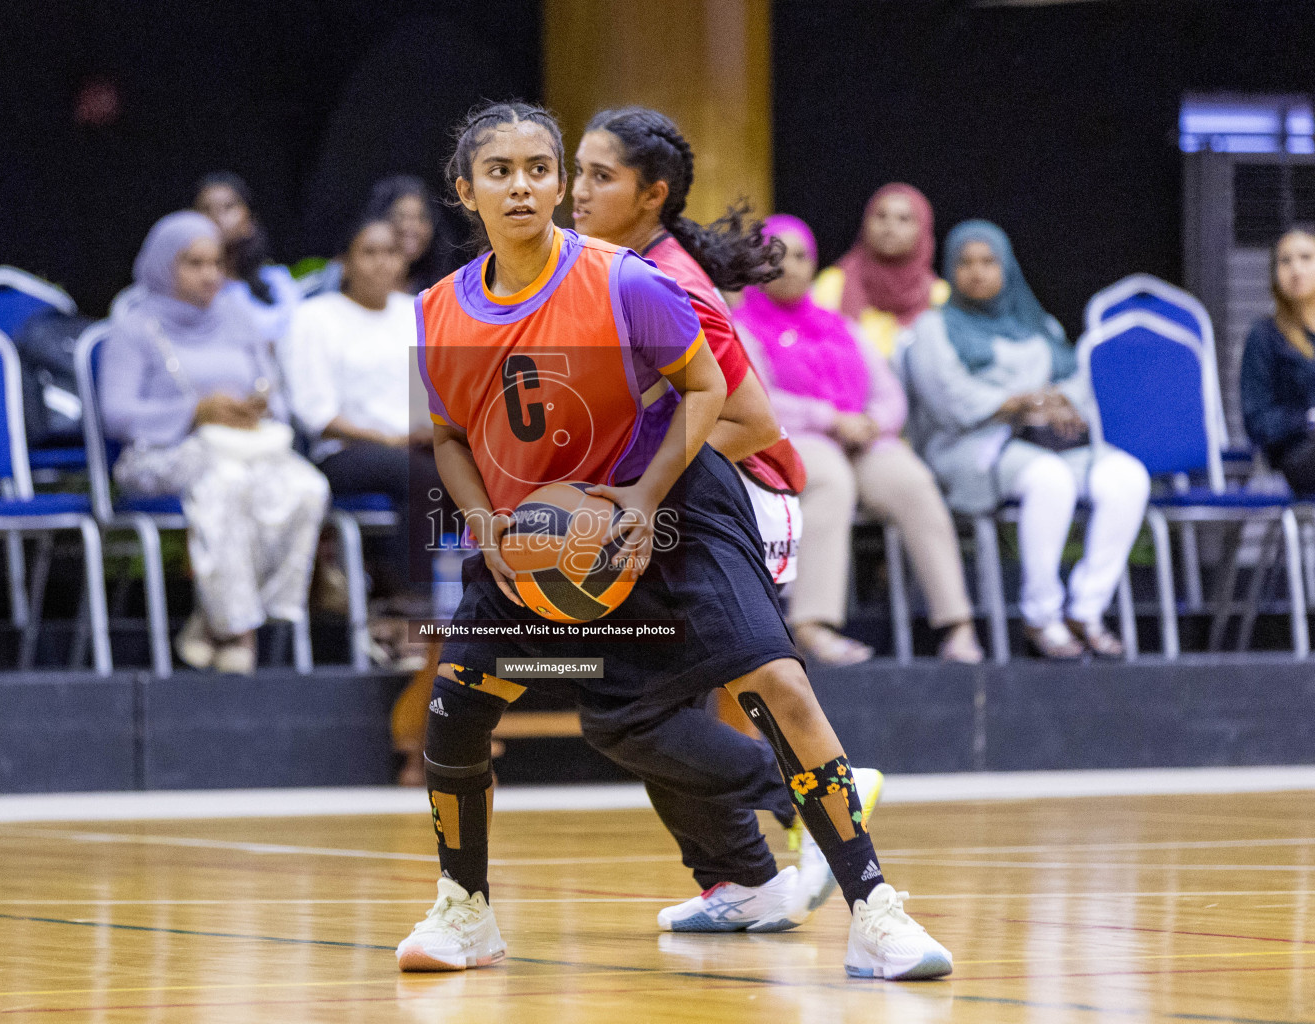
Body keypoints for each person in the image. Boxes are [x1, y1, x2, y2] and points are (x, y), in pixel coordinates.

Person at [395, 101, 950, 981]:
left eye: (542, 167)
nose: (528, 186)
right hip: (540, 528)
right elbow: (452, 437)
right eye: (499, 171)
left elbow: (709, 392)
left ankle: (876, 912)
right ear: (465, 191)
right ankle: (466, 911)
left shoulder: (628, 280)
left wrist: (642, 499)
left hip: (681, 507)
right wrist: (488, 526)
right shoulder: (437, 311)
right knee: (465, 700)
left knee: (775, 682)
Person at [570, 104, 867, 925]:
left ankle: (809, 792)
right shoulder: (612, 266)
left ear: (652, 194)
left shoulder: (672, 287)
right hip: (680, 497)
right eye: (578, 171)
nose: (576, 192)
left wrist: (634, 477)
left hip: (746, 496)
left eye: (601, 176)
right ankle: (742, 879)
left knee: (629, 704)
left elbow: (752, 426)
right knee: (640, 704)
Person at [733, 214, 983, 666]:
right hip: (788, 440)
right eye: (775, 256)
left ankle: (957, 624)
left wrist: (871, 421)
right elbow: (757, 398)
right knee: (829, 481)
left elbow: (889, 393)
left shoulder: (839, 325)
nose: (789, 266)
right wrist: (829, 418)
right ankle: (812, 625)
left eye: (801, 256)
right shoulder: (743, 326)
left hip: (860, 440)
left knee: (913, 483)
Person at [903, 220, 1149, 660]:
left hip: (1043, 443)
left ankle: (1086, 610)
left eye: (988, 262)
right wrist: (1017, 402)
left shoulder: (1038, 324)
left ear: (1007, 267)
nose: (977, 273)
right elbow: (949, 401)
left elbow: (1075, 384)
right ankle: (1042, 617)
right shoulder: (933, 328)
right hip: (971, 447)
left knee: (1127, 477)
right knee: (1048, 479)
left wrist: (1056, 403)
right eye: (965, 263)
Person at [100, 211, 329, 675]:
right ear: (164, 264)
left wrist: (256, 408)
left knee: (308, 487)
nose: (210, 275)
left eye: (216, 263)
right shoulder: (133, 326)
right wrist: (194, 412)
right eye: (193, 263)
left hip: (246, 450)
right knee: (226, 486)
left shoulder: (237, 318)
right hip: (161, 456)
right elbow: (116, 415)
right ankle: (239, 632)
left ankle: (214, 621)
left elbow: (274, 394)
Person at [286, 215, 443, 608]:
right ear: (344, 262)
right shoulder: (315, 317)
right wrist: (390, 438)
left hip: (414, 444)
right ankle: (410, 601)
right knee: (423, 473)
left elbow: (441, 392)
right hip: (343, 452)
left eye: (391, 252)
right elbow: (315, 415)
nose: (382, 263)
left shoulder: (416, 312)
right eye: (369, 253)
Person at [812, 184, 947, 360]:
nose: (889, 227)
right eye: (881, 216)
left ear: (923, 228)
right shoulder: (833, 284)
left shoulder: (939, 296)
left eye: (904, 219)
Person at [1241, 225, 1315, 496]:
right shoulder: (1264, 336)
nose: (1296, 269)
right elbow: (1257, 421)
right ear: (1275, 273)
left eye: (1306, 258)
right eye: (1286, 261)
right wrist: (1307, 419)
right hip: (1293, 457)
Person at [192, 172, 302, 345]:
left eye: (228, 207)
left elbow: (300, 337)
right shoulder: (185, 288)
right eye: (206, 209)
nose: (217, 217)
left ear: (249, 220)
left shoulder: (276, 281)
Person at [365, 175, 458, 293]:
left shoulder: (441, 286)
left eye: (421, 218)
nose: (411, 228)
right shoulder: (346, 276)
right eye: (401, 217)